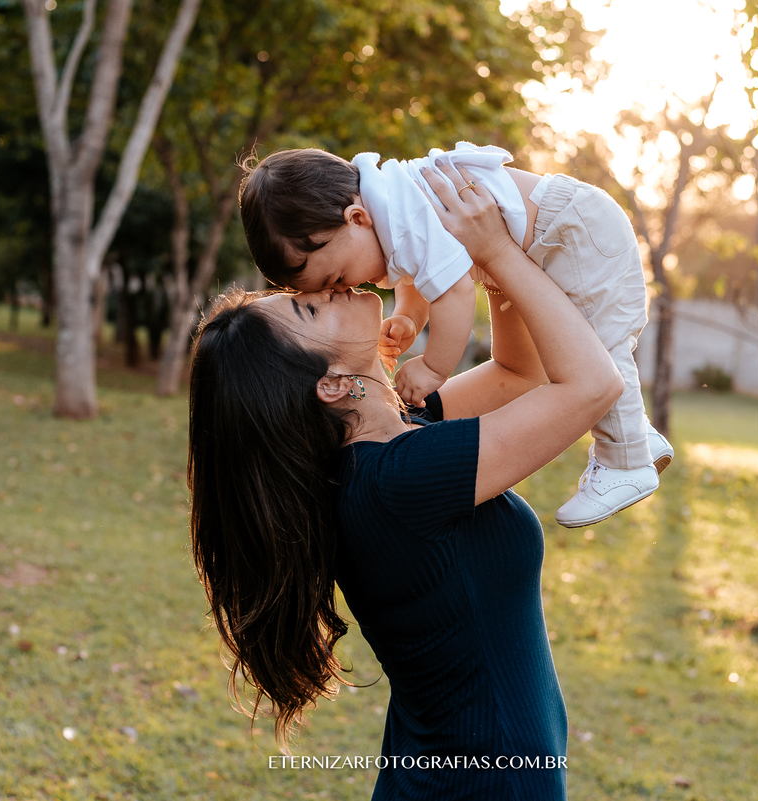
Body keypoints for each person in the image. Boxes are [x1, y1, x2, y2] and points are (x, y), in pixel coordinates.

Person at [188, 161, 623, 800]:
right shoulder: (400, 481)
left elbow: (517, 372)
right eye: (308, 308)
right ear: (332, 385)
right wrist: (496, 251)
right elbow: (592, 385)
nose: (329, 290)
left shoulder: (395, 440)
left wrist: (483, 255)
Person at [239, 142, 673, 528]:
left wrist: (432, 363)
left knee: (603, 343)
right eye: (316, 304)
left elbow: (453, 293)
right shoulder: (393, 474)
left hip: (570, 232)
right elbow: (427, 272)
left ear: (356, 218)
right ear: (329, 383)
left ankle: (627, 457)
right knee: (602, 345)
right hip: (564, 231)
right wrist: (482, 262)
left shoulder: (400, 214)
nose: (342, 291)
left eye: (333, 280)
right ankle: (631, 442)